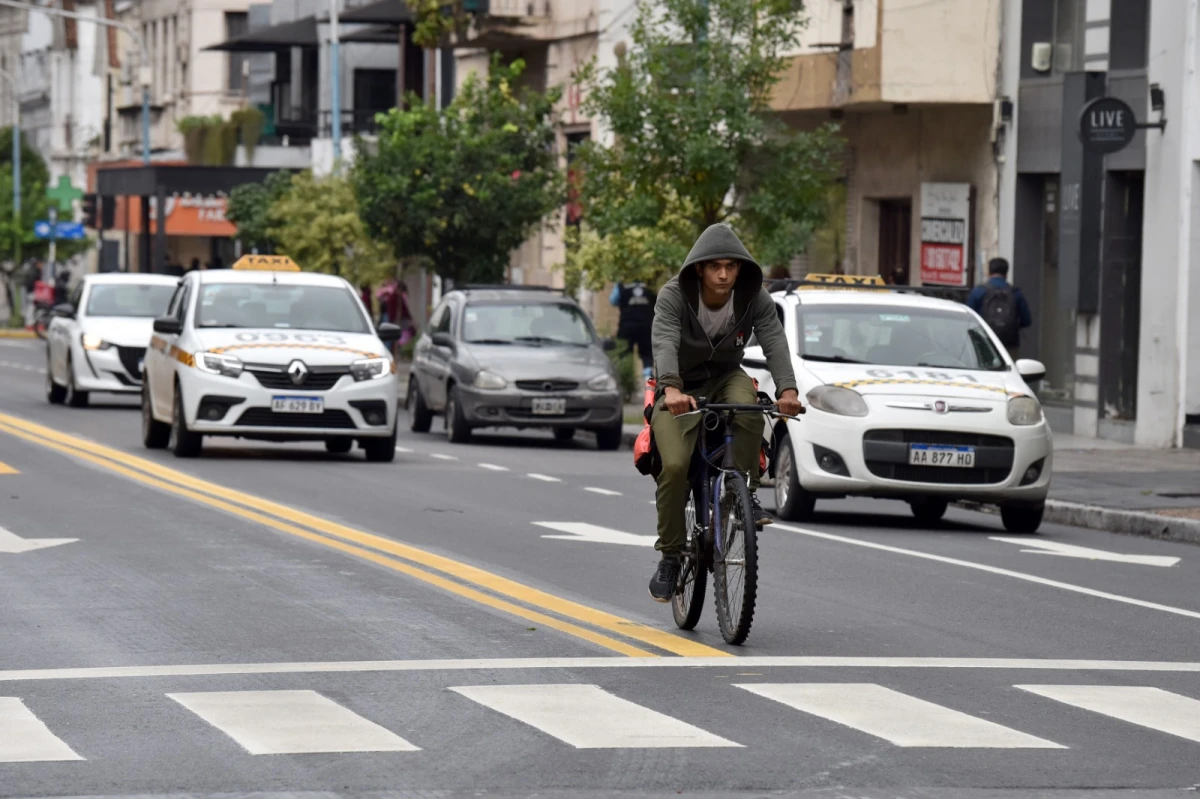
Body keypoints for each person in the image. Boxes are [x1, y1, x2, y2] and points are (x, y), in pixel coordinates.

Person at [647, 223, 802, 602]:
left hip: (726, 376)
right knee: (675, 466)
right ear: (698, 268)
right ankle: (670, 555)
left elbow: (775, 341)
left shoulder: (754, 298)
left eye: (731, 267)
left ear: (739, 269)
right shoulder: (674, 296)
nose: (723, 275)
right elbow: (664, 340)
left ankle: (744, 491)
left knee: (750, 408)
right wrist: (671, 388)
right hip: (680, 384)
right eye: (714, 266)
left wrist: (788, 389)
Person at [968, 257, 1032, 360]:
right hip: (1009, 344)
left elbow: (969, 319)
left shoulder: (978, 291)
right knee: (1009, 372)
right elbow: (1027, 321)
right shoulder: (1015, 293)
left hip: (984, 343)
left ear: (989, 272)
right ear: (1006, 274)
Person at [609, 280, 656, 380]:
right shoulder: (651, 282)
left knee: (624, 354)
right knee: (647, 355)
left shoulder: (621, 283)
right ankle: (648, 383)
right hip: (646, 326)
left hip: (627, 326)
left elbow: (613, 301)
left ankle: (626, 381)